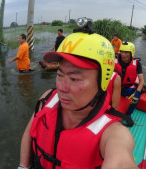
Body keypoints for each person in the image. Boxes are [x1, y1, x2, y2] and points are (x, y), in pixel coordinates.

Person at [18, 27, 137, 169]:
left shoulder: (113, 134)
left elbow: (121, 160)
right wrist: (23, 166)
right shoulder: (47, 98)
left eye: (74, 79)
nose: (61, 88)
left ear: (101, 83)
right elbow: (28, 133)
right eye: (60, 75)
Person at [114, 41, 144, 117]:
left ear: (131, 53)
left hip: (124, 90)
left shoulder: (137, 64)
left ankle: (128, 114)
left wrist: (137, 93)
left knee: (137, 96)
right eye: (122, 52)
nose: (123, 54)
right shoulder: (114, 59)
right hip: (113, 88)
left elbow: (141, 81)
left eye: (126, 52)